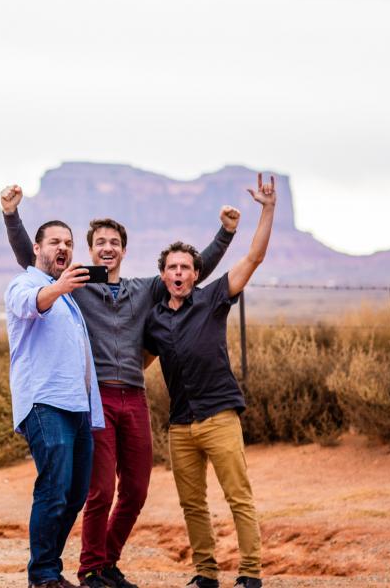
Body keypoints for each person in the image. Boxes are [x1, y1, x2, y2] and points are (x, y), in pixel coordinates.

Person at [1, 186, 239, 588]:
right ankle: (90, 568)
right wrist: (12, 216)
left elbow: (192, 273)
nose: (107, 248)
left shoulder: (144, 289)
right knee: (97, 492)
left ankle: (105, 562)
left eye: (114, 242)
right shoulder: (76, 286)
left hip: (135, 395)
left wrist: (225, 234)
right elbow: (35, 263)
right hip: (96, 399)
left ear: (124, 251)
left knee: (135, 489)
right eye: (99, 243)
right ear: (90, 252)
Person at [143, 173, 278, 588]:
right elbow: (136, 363)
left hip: (220, 416)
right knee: (192, 504)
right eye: (172, 268)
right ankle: (205, 572)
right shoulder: (154, 320)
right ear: (163, 275)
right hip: (181, 424)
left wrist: (267, 209)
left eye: (186, 267)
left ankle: (250, 572)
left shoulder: (214, 297)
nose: (179, 273)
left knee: (238, 496)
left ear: (195, 272)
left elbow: (253, 258)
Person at [4, 219, 104, 588]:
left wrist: (63, 289)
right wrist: (60, 288)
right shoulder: (25, 284)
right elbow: (30, 305)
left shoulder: (67, 297)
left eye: (68, 243)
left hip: (77, 407)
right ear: (37, 248)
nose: (63, 248)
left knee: (75, 493)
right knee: (54, 488)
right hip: (45, 402)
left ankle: (48, 567)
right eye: (54, 242)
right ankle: (44, 575)